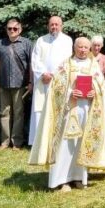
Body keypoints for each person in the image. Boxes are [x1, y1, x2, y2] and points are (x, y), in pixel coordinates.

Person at [29, 37, 105, 191]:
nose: (82, 50)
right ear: (74, 48)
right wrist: (70, 92)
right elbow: (55, 86)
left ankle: (78, 177)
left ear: (89, 49)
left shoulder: (93, 65)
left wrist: (93, 92)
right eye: (80, 47)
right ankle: (61, 180)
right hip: (68, 111)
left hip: (87, 111)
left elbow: (101, 86)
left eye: (85, 47)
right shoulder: (65, 65)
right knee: (65, 145)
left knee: (81, 144)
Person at [29, 16, 73, 146]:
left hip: (59, 81)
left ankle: (56, 139)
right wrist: (43, 74)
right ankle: (39, 142)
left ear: (61, 26)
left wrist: (54, 75)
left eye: (56, 24)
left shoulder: (67, 40)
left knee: (58, 109)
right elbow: (35, 59)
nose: (54, 27)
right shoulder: (41, 40)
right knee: (40, 109)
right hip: (42, 82)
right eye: (51, 24)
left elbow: (68, 61)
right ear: (48, 26)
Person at [0, 18, 32, 149]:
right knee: (4, 113)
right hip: (3, 84)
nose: (12, 31)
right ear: (6, 29)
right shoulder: (0, 43)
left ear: (20, 29)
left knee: (19, 114)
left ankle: (17, 142)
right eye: (10, 28)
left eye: (15, 28)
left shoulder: (26, 43)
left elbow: (32, 64)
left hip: (20, 84)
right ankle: (4, 142)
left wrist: (31, 82)